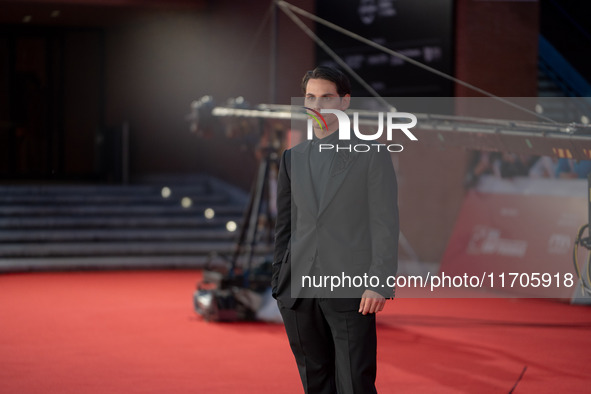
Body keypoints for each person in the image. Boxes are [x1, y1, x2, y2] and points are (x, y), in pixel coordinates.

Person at [272, 66, 399, 394]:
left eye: (326, 97)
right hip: (298, 291)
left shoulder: (371, 154)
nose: (317, 104)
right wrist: (279, 282)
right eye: (310, 97)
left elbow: (385, 222)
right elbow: (285, 226)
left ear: (344, 102)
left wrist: (379, 282)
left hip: (350, 289)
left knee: (354, 383)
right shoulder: (291, 158)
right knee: (314, 382)